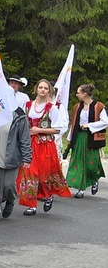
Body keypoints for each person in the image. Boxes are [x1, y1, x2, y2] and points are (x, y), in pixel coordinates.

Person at [16, 80, 71, 215]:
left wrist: (39, 130)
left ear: (49, 91)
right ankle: (31, 205)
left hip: (45, 145)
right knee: (29, 172)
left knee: (45, 175)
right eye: (40, 87)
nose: (42, 90)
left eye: (45, 88)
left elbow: (58, 129)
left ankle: (48, 195)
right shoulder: (28, 105)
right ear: (36, 89)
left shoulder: (52, 108)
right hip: (30, 144)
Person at [65, 84, 107, 198]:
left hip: (91, 137)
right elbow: (74, 123)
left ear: (84, 94)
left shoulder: (99, 106)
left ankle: (94, 179)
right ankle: (80, 188)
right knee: (78, 162)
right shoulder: (77, 107)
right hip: (79, 137)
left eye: (78, 92)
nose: (77, 94)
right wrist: (70, 139)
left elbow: (105, 121)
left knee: (92, 163)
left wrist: (89, 125)